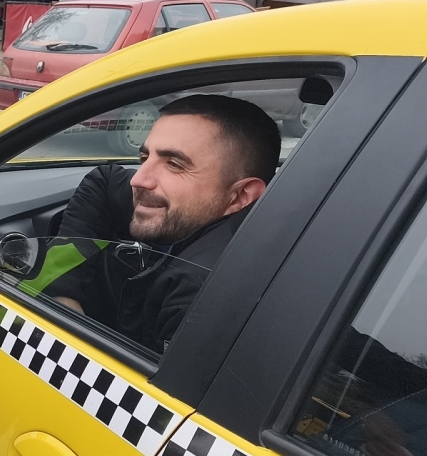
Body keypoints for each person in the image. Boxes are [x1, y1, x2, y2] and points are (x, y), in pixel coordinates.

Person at [36, 94, 280, 353]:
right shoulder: (188, 206)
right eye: (144, 158)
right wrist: (64, 294)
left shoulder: (203, 297)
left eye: (173, 164)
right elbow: (104, 180)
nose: (138, 180)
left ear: (240, 196)